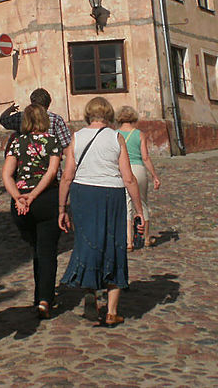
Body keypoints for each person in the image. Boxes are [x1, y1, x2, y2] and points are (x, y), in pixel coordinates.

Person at [58, 97, 144, 328]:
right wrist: (138, 209)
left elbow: (67, 176)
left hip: (83, 194)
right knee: (114, 245)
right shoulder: (116, 137)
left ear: (88, 114)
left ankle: (90, 292)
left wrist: (61, 208)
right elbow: (128, 177)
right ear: (108, 114)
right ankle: (112, 311)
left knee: (87, 243)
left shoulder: (76, 137)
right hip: (111, 195)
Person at [1, 104, 63, 319]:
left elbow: (7, 175)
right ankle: (45, 298)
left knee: (36, 248)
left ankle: (39, 296)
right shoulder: (52, 141)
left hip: (21, 204)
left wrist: (18, 196)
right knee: (47, 251)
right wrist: (34, 195)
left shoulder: (17, 142)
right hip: (46, 199)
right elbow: (53, 172)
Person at [116, 106, 161, 250]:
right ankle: (146, 238)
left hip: (124, 170)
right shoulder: (139, 134)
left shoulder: (115, 134)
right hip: (139, 169)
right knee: (142, 203)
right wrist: (154, 175)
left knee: (127, 205)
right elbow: (145, 157)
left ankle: (129, 241)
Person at [0, 88, 72, 159]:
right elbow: (65, 145)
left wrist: (10, 109)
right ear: (48, 103)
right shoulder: (56, 120)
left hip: (26, 164)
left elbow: (3, 120)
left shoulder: (21, 117)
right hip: (50, 163)